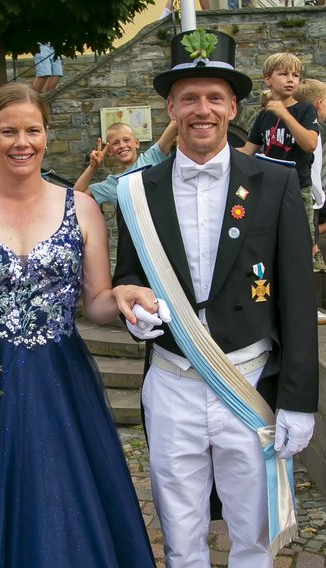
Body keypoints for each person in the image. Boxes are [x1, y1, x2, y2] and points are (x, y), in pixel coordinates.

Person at [0, 82, 158, 567]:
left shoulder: (82, 208)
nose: (22, 142)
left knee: (64, 495)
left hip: (60, 380)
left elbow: (96, 304)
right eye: (9, 131)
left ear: (46, 134)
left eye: (33, 130)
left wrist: (122, 295)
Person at [113, 28, 318, 567]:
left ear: (232, 106)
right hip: (172, 383)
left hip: (247, 381)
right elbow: (128, 275)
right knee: (181, 539)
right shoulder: (137, 190)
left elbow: (299, 298)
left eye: (214, 98)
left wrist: (299, 399)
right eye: (189, 98)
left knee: (253, 539)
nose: (201, 110)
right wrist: (133, 312)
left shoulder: (274, 182)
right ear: (170, 108)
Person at [240, 52, 320, 259]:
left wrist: (284, 114)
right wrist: (218, 148)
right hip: (270, 189)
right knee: (271, 240)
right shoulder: (263, 116)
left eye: (295, 75)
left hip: (298, 187)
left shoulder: (305, 110)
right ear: (268, 79)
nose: (291, 79)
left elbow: (310, 144)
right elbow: (248, 151)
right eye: (284, 74)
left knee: (304, 244)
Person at [74, 120, 179, 206]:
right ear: (110, 151)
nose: (122, 145)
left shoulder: (152, 157)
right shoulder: (113, 183)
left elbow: (174, 123)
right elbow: (75, 195)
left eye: (126, 140)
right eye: (115, 143)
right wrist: (93, 167)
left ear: (136, 143)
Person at [293, 78, 326, 273]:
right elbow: (312, 168)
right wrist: (319, 196)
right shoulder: (312, 132)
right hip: (309, 194)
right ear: (319, 103)